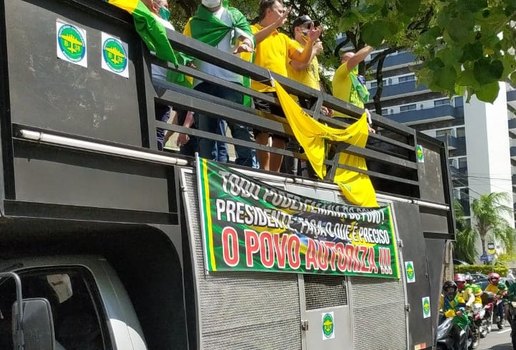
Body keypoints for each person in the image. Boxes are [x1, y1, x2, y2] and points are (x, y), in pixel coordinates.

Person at [183, 0, 258, 168]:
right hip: (203, 82)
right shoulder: (193, 23)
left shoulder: (233, 15)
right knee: (206, 135)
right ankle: (208, 173)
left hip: (231, 82)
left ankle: (247, 173)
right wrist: (187, 61)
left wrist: (246, 43)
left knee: (240, 130)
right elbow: (185, 49)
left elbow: (247, 35)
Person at [251, 0, 322, 172]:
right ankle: (264, 171)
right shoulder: (252, 30)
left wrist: (311, 42)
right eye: (280, 9)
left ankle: (273, 175)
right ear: (268, 11)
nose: (284, 12)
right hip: (260, 88)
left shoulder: (283, 38)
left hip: (282, 93)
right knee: (262, 133)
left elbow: (302, 59)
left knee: (281, 136)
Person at [283, 15, 326, 177]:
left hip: (315, 99)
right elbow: (299, 65)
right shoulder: (292, 45)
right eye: (307, 27)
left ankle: (315, 175)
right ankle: (292, 175)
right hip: (297, 98)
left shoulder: (310, 50)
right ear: (297, 29)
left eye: (313, 28)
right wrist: (314, 49)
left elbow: (316, 78)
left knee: (315, 138)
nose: (311, 31)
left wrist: (325, 101)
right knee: (294, 139)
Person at [332, 45, 373, 124]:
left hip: (358, 120)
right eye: (350, 59)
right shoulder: (340, 73)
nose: (355, 63)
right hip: (342, 117)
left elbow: (360, 101)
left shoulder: (358, 79)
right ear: (343, 62)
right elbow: (356, 59)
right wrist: (372, 45)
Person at [439, 280, 470, 350]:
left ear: (455, 290)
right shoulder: (443, 299)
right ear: (445, 290)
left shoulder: (459, 299)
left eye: (452, 289)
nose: (450, 291)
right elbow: (439, 308)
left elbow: (461, 308)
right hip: (446, 322)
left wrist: (458, 311)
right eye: (448, 289)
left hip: (460, 322)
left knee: (458, 340)